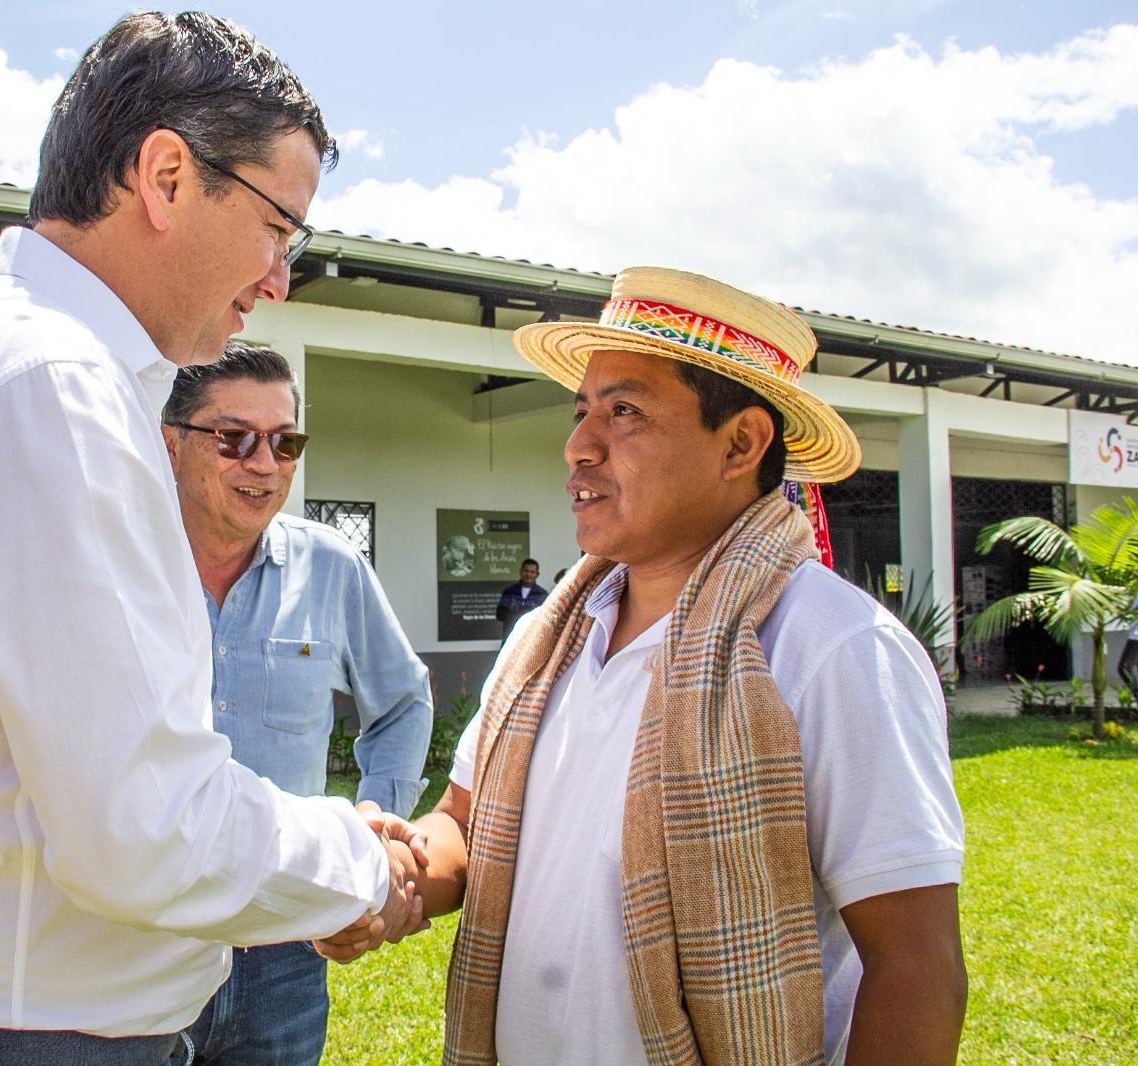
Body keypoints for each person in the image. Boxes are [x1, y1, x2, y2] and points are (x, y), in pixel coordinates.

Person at [0, 14, 422, 1066]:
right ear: (167, 177)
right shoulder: (51, 388)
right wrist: (363, 863)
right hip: (14, 1037)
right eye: (281, 228)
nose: (280, 279)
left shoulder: (16, 368)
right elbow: (146, 825)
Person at [324, 266, 967, 1066]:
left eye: (624, 411)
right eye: (581, 412)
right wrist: (392, 872)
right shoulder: (547, 639)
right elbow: (464, 823)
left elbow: (914, 965)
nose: (578, 446)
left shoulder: (835, 647)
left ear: (741, 443)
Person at [162, 341, 433, 1065]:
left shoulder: (331, 565)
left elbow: (404, 701)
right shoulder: (123, 562)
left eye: (284, 443)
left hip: (283, 940)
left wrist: (372, 821)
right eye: (234, 438)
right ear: (171, 443)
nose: (264, 463)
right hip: (145, 936)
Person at [494, 558, 547, 640]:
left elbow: (545, 618)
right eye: (526, 571)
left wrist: (516, 611)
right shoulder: (510, 591)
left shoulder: (542, 594)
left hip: (533, 638)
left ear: (537, 574)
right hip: (511, 638)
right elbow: (500, 615)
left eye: (532, 572)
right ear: (520, 571)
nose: (528, 574)